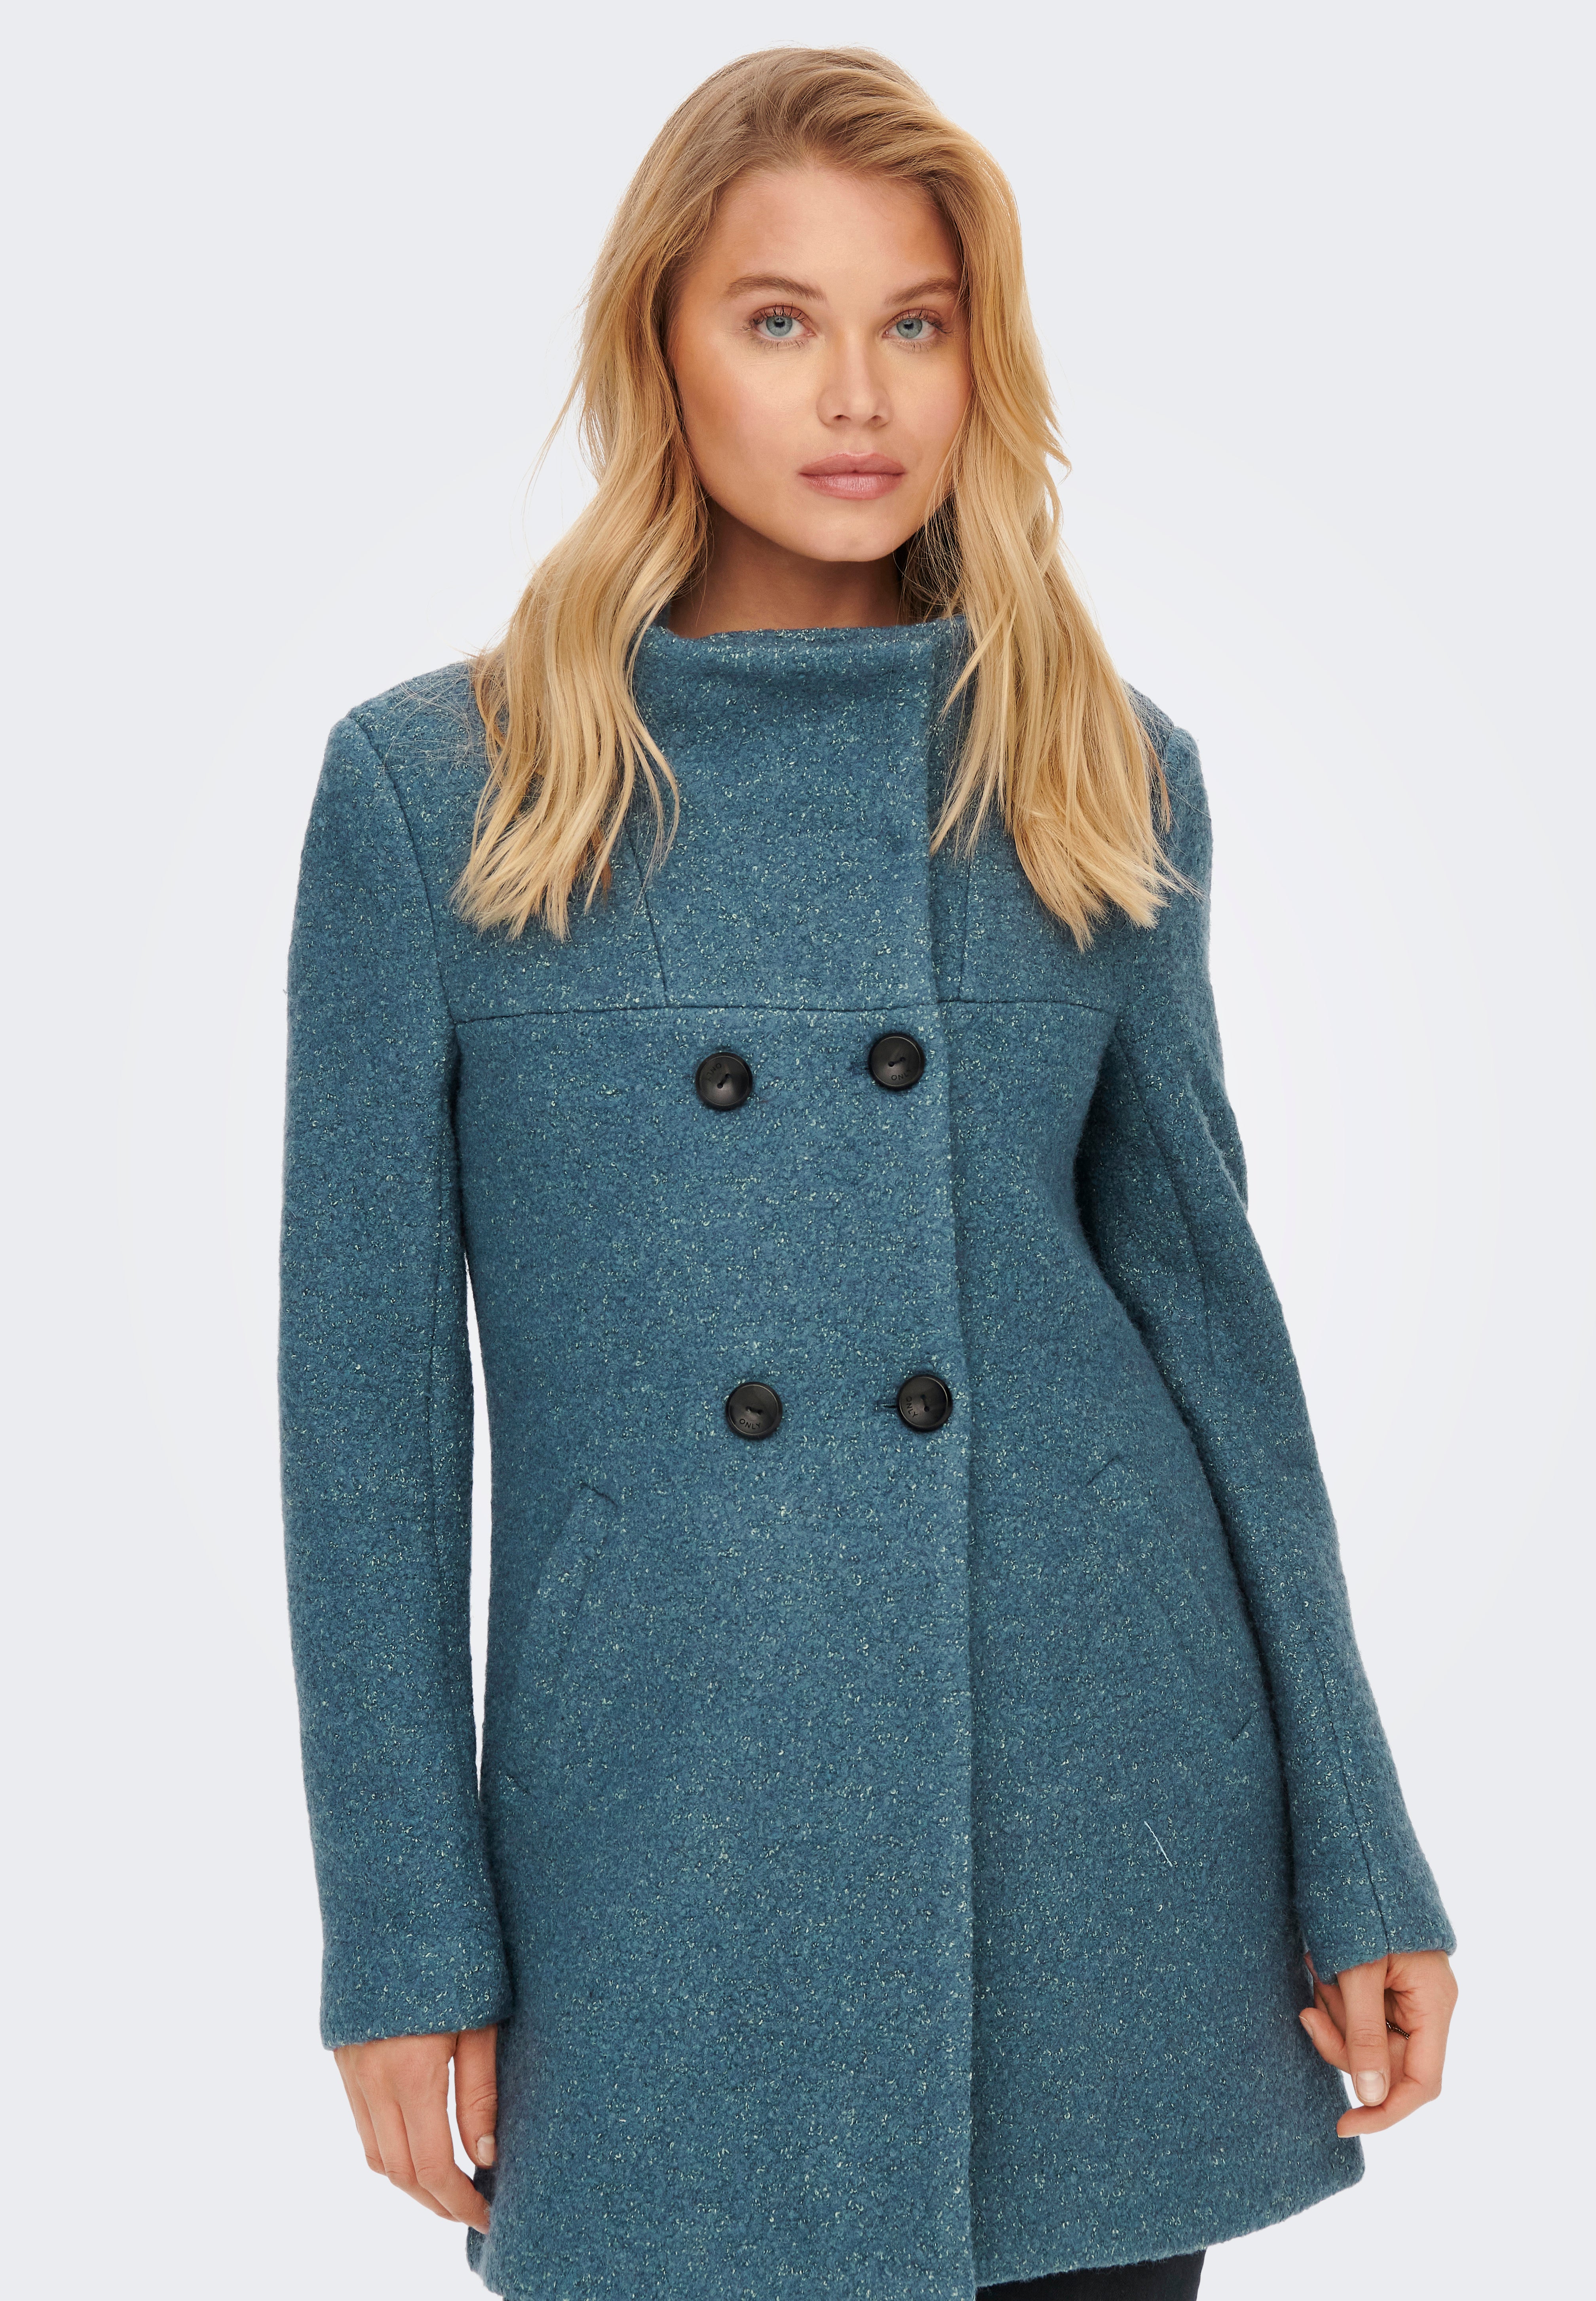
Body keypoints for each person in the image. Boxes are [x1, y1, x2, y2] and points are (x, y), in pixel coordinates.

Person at [280, 46, 1457, 2301]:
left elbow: (1212, 1329)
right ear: (661, 347)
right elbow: (365, 1428)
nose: (858, 392)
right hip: (660, 1823)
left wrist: (1356, 1843)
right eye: (779, 318)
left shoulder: (1093, 770)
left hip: (1093, 1811)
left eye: (916, 322)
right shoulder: (444, 793)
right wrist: (401, 1928)